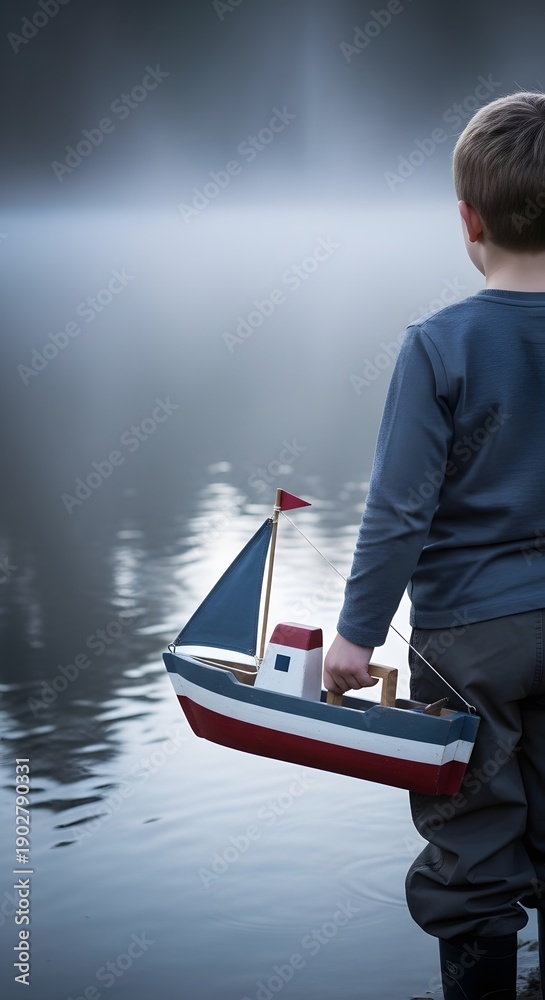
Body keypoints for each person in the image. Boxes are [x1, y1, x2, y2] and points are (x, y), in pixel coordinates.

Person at [323, 91, 545, 1000]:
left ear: (467, 218)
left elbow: (398, 511)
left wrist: (354, 636)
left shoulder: (438, 347)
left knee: (475, 842)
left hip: (469, 641)